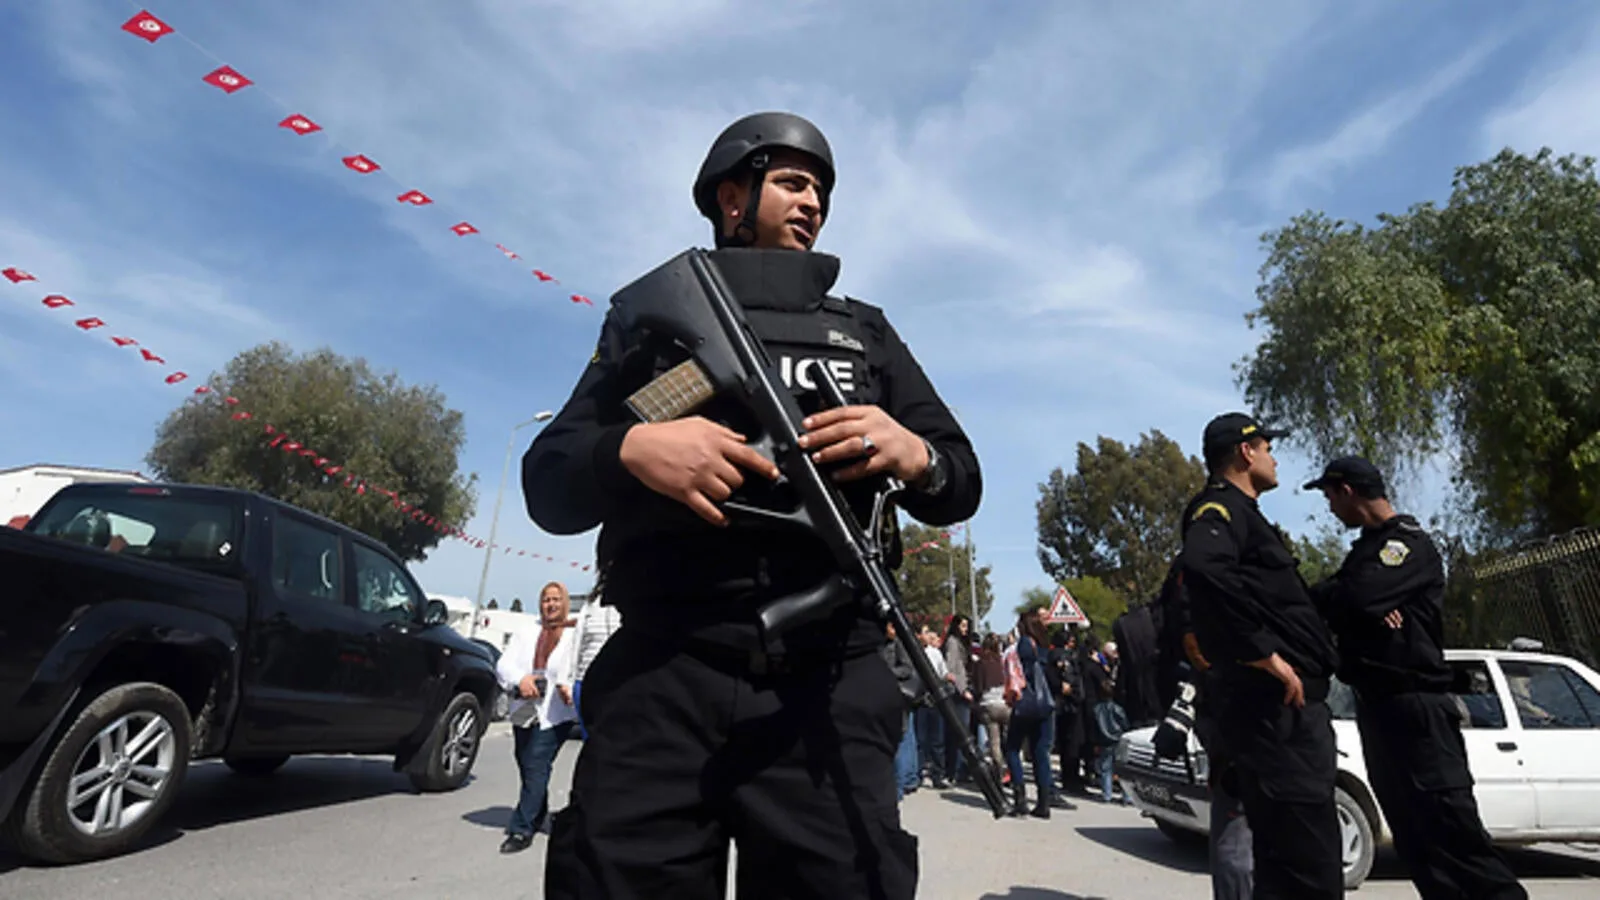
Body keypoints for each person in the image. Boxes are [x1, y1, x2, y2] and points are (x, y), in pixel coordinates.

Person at [524, 110, 981, 900]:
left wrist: (914, 452)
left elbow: (961, 479)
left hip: (828, 682)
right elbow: (550, 478)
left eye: (822, 194)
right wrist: (633, 450)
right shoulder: (655, 329)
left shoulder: (864, 335)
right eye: (795, 183)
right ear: (732, 196)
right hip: (666, 673)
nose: (813, 205)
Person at [1305, 457, 1527, 900]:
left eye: (1330, 495)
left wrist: (1359, 606)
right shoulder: (1365, 552)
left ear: (1347, 490)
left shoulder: (1407, 545)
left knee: (1454, 834)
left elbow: (1357, 597)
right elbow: (1335, 599)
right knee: (1416, 841)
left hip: (1418, 708)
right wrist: (1362, 608)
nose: (1329, 506)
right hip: (1378, 707)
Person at [1179, 412, 1341, 899]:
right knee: (1309, 868)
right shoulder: (1218, 510)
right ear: (1246, 452)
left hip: (1286, 721)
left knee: (1286, 869)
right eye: (1267, 447)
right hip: (1277, 718)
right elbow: (1204, 569)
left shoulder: (1247, 517)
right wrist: (1261, 653)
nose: (1273, 457)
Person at [496, 581, 581, 853]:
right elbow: (504, 663)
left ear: (565, 603)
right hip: (525, 710)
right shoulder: (526, 631)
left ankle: (522, 828)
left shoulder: (573, 634)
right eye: (546, 599)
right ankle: (540, 812)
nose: (551, 604)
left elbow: (579, 663)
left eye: (556, 599)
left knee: (535, 763)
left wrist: (569, 685)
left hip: (555, 713)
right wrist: (522, 679)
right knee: (527, 764)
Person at [940, 614, 975, 784]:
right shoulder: (953, 643)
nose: (965, 629)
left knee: (961, 733)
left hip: (961, 690)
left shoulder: (960, 643)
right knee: (960, 733)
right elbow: (952, 669)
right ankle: (956, 770)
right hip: (957, 692)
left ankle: (960, 769)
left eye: (967, 626)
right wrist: (963, 690)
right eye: (962, 626)